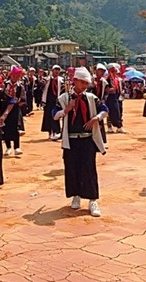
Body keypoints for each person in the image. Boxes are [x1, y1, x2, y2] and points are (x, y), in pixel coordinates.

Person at [53, 67, 108, 217]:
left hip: (87, 139)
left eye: (86, 83)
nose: (84, 86)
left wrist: (96, 118)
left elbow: (104, 109)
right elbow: (54, 115)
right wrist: (66, 110)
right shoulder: (64, 98)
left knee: (89, 169)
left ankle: (92, 200)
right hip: (70, 140)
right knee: (72, 168)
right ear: (75, 81)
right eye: (82, 82)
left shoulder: (91, 98)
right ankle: (75, 196)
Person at [3, 67, 25, 156]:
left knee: (16, 128)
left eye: (17, 76)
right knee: (6, 128)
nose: (15, 77)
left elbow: (23, 99)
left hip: (15, 109)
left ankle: (17, 147)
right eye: (13, 75)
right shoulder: (5, 85)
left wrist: (17, 104)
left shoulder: (20, 87)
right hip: (4, 109)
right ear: (10, 75)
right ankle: (8, 147)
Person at [41, 65, 64, 141]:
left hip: (56, 101)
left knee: (55, 116)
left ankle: (56, 131)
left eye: (58, 70)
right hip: (48, 100)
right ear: (52, 70)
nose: (56, 71)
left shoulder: (61, 80)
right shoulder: (47, 79)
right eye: (55, 70)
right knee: (48, 116)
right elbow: (41, 88)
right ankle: (49, 132)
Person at [89, 64, 109, 148]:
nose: (101, 73)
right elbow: (85, 89)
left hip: (99, 103)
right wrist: (91, 86)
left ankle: (101, 141)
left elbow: (106, 92)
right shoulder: (90, 80)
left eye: (103, 71)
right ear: (96, 71)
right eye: (100, 71)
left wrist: (104, 100)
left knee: (100, 121)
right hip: (90, 103)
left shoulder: (104, 82)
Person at [105, 64, 126, 133]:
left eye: (115, 71)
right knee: (110, 112)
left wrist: (123, 91)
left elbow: (123, 87)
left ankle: (119, 126)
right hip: (110, 97)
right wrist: (110, 90)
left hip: (118, 97)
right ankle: (110, 127)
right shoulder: (107, 79)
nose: (114, 73)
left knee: (119, 112)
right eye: (112, 71)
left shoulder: (119, 80)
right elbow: (105, 89)